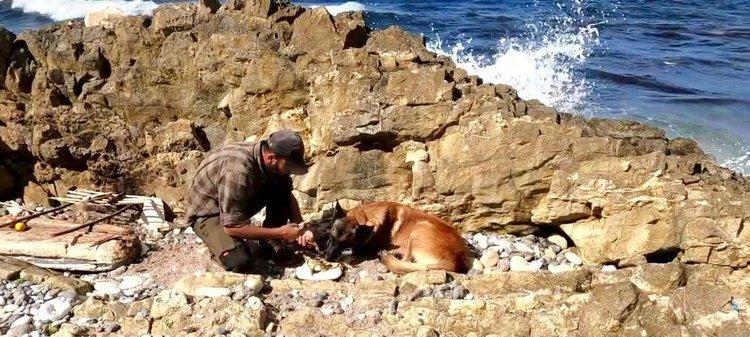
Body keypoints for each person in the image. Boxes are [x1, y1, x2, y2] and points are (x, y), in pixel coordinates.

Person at [185, 129, 317, 272]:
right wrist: (281, 232)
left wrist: (301, 227)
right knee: (239, 260)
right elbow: (231, 227)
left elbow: (286, 195)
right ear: (271, 158)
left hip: (234, 200)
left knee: (281, 184)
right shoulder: (238, 170)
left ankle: (270, 244)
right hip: (208, 213)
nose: (291, 171)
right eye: (289, 167)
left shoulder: (268, 158)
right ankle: (222, 245)